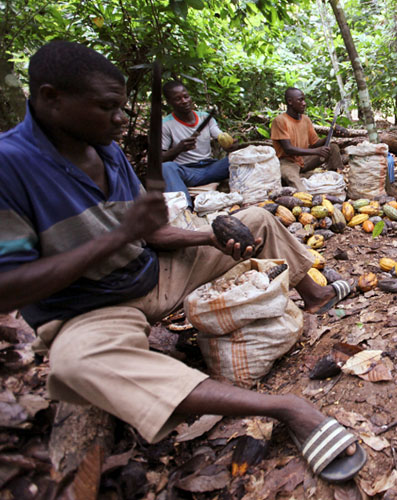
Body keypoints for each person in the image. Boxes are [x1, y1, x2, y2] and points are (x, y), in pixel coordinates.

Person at [0, 41, 364, 482]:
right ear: (50, 97)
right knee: (76, 365)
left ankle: (316, 294)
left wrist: (209, 236)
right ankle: (286, 407)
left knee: (255, 218)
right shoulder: (9, 166)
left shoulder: (105, 147)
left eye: (120, 107)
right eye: (107, 107)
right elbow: (11, 288)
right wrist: (122, 234)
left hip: (153, 271)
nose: (119, 118)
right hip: (92, 307)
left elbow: (151, 234)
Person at [161, 80, 232, 208]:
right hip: (188, 172)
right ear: (169, 102)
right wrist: (178, 149)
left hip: (211, 167)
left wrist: (230, 145)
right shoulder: (166, 125)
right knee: (167, 168)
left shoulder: (205, 118)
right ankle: (184, 209)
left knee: (239, 157)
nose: (184, 101)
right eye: (178, 99)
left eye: (186, 96)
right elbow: (159, 159)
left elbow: (219, 135)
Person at [271, 88, 344, 190]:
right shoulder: (280, 121)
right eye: (300, 100)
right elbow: (288, 149)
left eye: (304, 100)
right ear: (290, 102)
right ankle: (303, 191)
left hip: (304, 159)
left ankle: (336, 178)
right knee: (294, 180)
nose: (304, 103)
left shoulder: (305, 120)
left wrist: (331, 134)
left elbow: (315, 143)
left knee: (332, 147)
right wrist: (316, 151)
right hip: (288, 162)